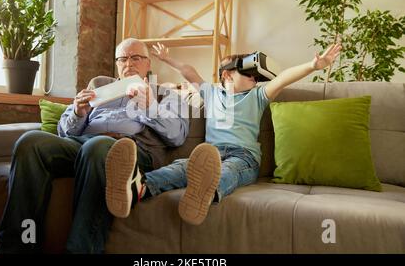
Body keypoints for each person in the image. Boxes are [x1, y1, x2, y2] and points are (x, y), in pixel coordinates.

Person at [105, 41, 342, 225]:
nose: (254, 79)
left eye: (256, 77)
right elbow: (189, 72)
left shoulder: (257, 96)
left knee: (229, 171)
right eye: (249, 74)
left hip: (244, 157)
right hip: (209, 156)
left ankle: (203, 194)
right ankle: (138, 186)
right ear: (227, 75)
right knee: (179, 167)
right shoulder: (211, 93)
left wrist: (313, 66)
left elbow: (282, 79)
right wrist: (168, 59)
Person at [0, 38, 189, 253]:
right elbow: (64, 133)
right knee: (30, 142)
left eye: (136, 57)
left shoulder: (166, 94)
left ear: (148, 63)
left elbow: (178, 135)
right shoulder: (99, 85)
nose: (129, 63)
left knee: (97, 147)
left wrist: (150, 107)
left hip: (130, 151)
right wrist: (78, 113)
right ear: (116, 63)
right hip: (82, 144)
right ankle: (18, 245)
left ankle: (81, 250)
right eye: (123, 59)